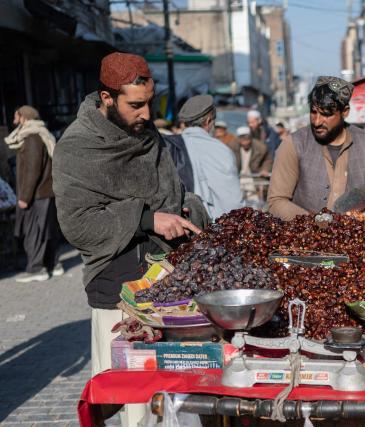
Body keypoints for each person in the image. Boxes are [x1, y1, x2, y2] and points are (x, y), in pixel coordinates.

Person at [53, 52, 206, 412]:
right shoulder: (76, 147)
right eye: (136, 105)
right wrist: (148, 220)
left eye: (149, 104)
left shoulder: (147, 133)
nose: (147, 114)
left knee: (172, 405)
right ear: (107, 98)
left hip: (169, 286)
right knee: (131, 405)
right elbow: (78, 224)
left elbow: (175, 190)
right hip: (117, 290)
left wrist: (185, 208)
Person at [267, 76, 365, 220]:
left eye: (326, 114)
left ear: (345, 112)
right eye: (313, 112)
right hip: (305, 238)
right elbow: (276, 200)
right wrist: (313, 223)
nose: (317, 121)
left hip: (358, 237)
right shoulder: (294, 144)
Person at [5, 105, 62, 282]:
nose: (14, 118)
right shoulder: (40, 134)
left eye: (16, 115)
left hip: (37, 194)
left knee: (34, 231)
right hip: (44, 192)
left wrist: (24, 197)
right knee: (46, 229)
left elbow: (32, 170)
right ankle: (53, 264)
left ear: (23, 116)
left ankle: (37, 268)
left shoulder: (31, 138)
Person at [179, 94, 244, 221]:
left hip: (176, 227)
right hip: (211, 228)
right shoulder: (220, 150)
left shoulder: (171, 145)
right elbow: (232, 200)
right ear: (209, 121)